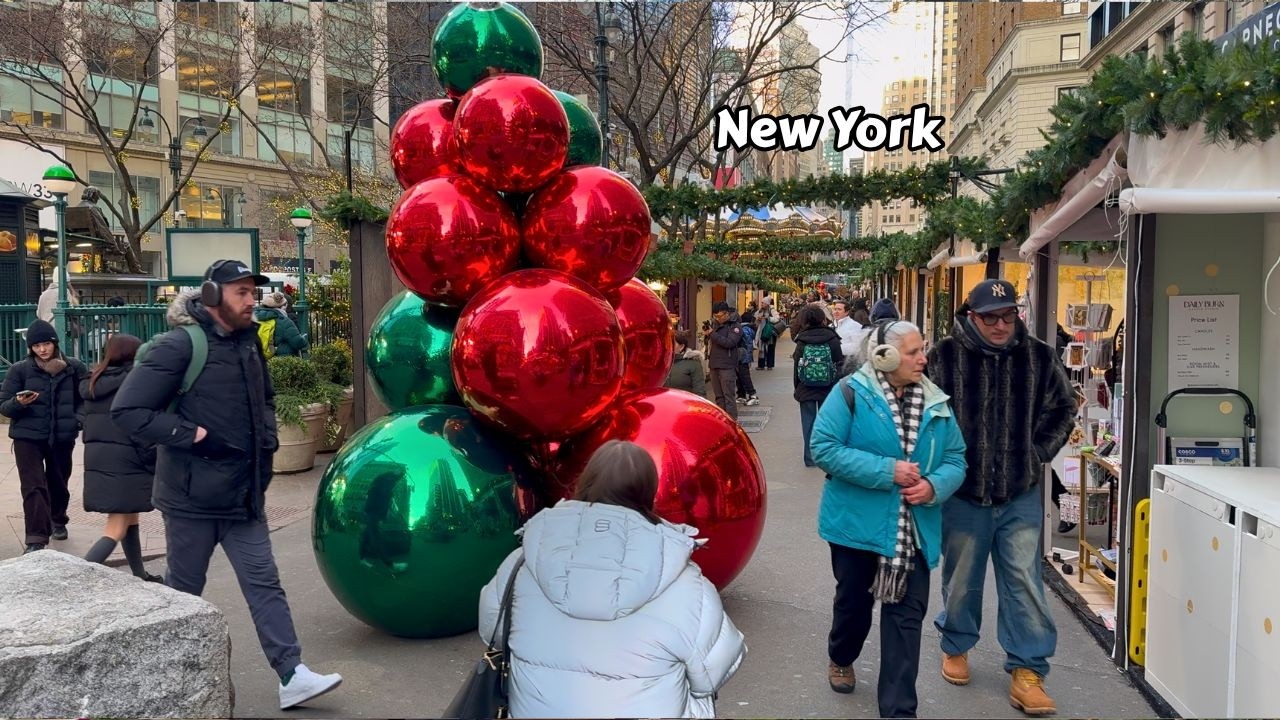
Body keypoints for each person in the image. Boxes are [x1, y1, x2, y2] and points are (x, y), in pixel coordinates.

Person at [111, 259, 342, 710]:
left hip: (243, 496)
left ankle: (292, 674)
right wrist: (189, 435)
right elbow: (128, 410)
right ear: (213, 295)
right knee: (185, 593)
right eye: (242, 292)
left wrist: (270, 440)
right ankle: (162, 676)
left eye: (253, 292)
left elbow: (266, 398)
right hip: (192, 500)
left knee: (264, 584)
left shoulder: (248, 343)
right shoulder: (179, 346)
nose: (252, 300)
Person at [477, 440, 747, 718]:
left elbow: (492, 631)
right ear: (649, 494)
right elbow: (712, 674)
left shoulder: (522, 562)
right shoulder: (687, 583)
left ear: (584, 483)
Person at [926, 279, 1077, 716]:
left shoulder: (1039, 357)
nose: (1000, 324)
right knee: (961, 579)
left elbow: (1064, 408)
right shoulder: (943, 358)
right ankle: (956, 643)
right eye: (990, 316)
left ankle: (1029, 669)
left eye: (1007, 315)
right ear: (971, 316)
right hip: (963, 492)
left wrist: (1037, 453)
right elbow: (923, 417)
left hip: (1020, 492)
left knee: (1025, 581)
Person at [810, 320, 967, 718]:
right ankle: (841, 655)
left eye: (922, 349)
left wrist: (933, 486)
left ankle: (899, 711)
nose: (923, 358)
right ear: (885, 355)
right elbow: (823, 447)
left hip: (912, 531)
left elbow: (956, 458)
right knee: (854, 607)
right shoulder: (850, 393)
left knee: (905, 621)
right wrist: (887, 471)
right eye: (913, 352)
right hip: (857, 528)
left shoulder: (936, 401)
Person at [0, 320, 88, 553]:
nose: (42, 350)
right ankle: (36, 538)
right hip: (27, 437)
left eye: (46, 344)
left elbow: (86, 399)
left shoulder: (75, 368)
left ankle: (57, 519)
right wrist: (18, 403)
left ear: (55, 343)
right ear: (31, 348)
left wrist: (77, 420)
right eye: (37, 346)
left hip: (62, 436)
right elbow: (4, 406)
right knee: (33, 486)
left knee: (58, 482)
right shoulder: (19, 370)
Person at [79, 333, 161, 581]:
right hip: (128, 461)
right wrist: (153, 458)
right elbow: (139, 428)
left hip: (102, 461)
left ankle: (139, 575)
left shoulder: (94, 380)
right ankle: (72, 579)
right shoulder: (134, 382)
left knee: (129, 519)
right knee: (115, 528)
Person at [791, 305, 843, 467]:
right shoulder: (832, 337)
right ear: (822, 318)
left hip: (806, 388)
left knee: (808, 423)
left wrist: (797, 388)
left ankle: (810, 457)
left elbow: (797, 367)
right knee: (827, 423)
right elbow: (839, 363)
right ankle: (827, 456)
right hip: (828, 387)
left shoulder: (802, 339)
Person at [703, 301, 742, 421]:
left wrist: (712, 334)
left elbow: (729, 343)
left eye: (720, 316)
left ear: (727, 313)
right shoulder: (714, 325)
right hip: (714, 364)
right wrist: (707, 335)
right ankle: (722, 422)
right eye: (715, 316)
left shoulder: (735, 326)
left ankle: (732, 423)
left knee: (729, 397)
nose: (718, 319)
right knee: (719, 397)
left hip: (727, 366)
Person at [255, 291, 309, 357]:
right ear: (282, 307)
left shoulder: (253, 319)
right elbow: (298, 342)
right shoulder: (284, 322)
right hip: (280, 361)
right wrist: (304, 339)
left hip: (259, 360)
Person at [665, 330, 706, 397]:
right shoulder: (661, 364)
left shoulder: (693, 363)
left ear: (682, 346)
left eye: (672, 343)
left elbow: (700, 392)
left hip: (685, 404)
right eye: (666, 343)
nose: (668, 346)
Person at [733, 309, 759, 406]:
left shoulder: (744, 329)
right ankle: (741, 395)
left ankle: (753, 395)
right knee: (740, 376)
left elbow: (747, 344)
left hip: (743, 357)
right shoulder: (747, 328)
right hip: (743, 356)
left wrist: (746, 357)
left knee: (744, 376)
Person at [756, 297, 783, 371]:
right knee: (762, 348)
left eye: (763, 303)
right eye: (761, 302)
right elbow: (756, 319)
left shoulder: (772, 310)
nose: (761, 304)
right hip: (762, 331)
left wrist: (768, 318)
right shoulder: (761, 310)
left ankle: (769, 365)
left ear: (767, 303)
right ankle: (761, 365)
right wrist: (758, 319)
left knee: (770, 348)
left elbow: (777, 318)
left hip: (770, 332)